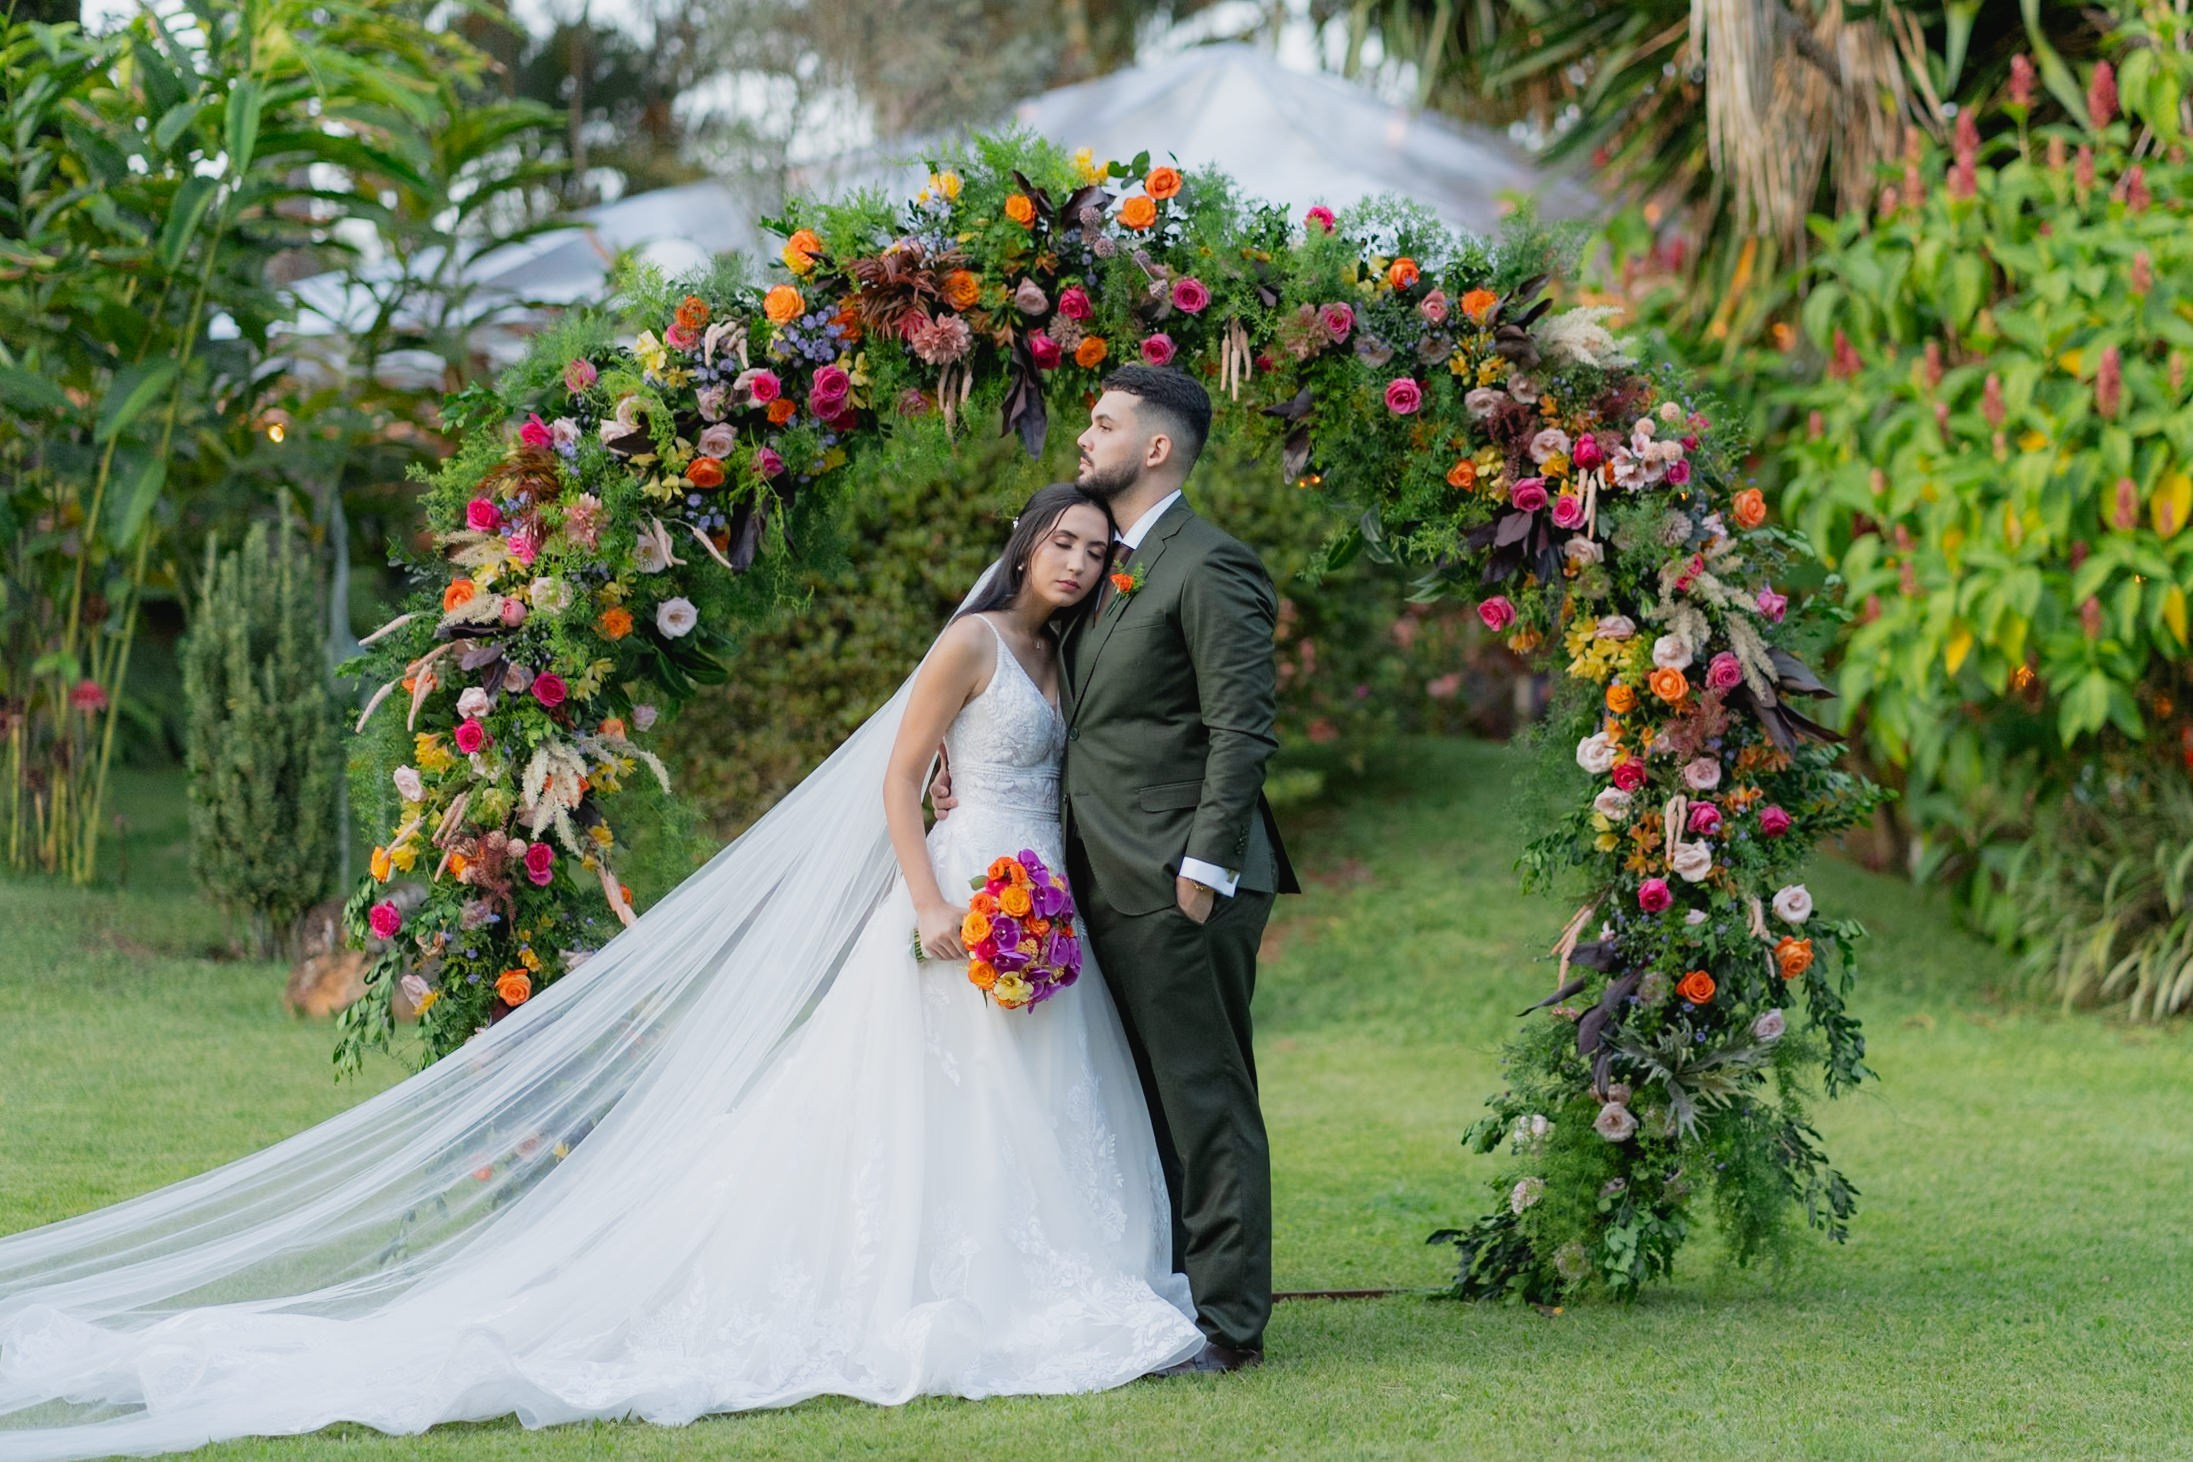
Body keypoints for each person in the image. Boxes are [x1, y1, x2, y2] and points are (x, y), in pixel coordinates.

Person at [0, 483, 1208, 1461]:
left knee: (1025, 1089)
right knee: (932, 1089)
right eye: (1063, 541)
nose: (1078, 561)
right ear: (1026, 543)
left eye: (1096, 550)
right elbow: (900, 776)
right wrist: (933, 901)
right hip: (960, 894)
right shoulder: (972, 641)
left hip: (1038, 898)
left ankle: (1021, 1268)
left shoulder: (1061, 654)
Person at [934, 365, 1300, 1374]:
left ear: (1156, 447)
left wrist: (1204, 869)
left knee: (1205, 1096)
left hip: (1181, 879)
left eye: (1102, 424)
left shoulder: (1210, 565)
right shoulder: (1105, 568)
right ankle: (1173, 1289)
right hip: (1092, 877)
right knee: (1140, 1103)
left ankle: (1228, 1324)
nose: (1083, 438)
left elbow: (1241, 729)